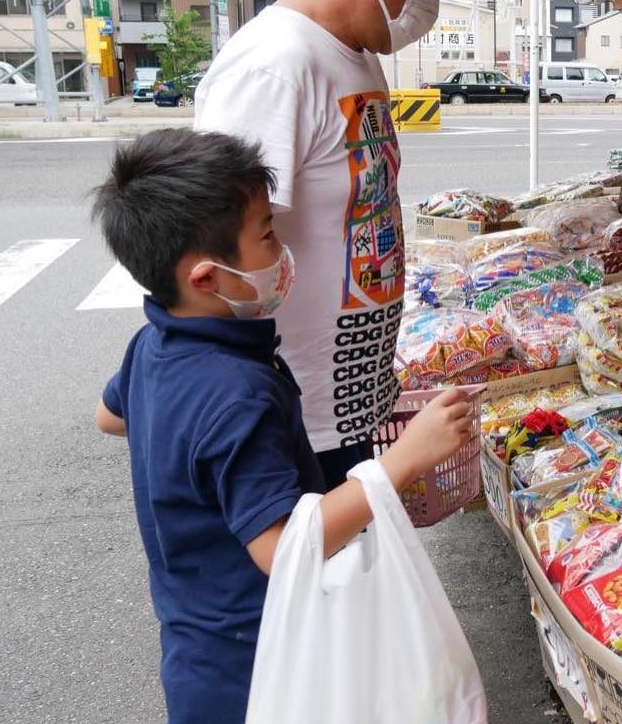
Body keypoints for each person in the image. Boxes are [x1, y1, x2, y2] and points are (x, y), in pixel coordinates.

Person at [91, 129, 478, 723]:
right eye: (267, 236)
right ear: (206, 277)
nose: (281, 250)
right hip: (259, 666)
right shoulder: (233, 392)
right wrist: (405, 460)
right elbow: (280, 550)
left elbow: (109, 415)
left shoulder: (154, 345)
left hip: (197, 648)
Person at [194, 0, 472, 484]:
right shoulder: (272, 67)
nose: (428, 7)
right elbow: (213, 260)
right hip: (293, 421)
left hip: (347, 409)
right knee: (318, 573)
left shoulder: (355, 50)